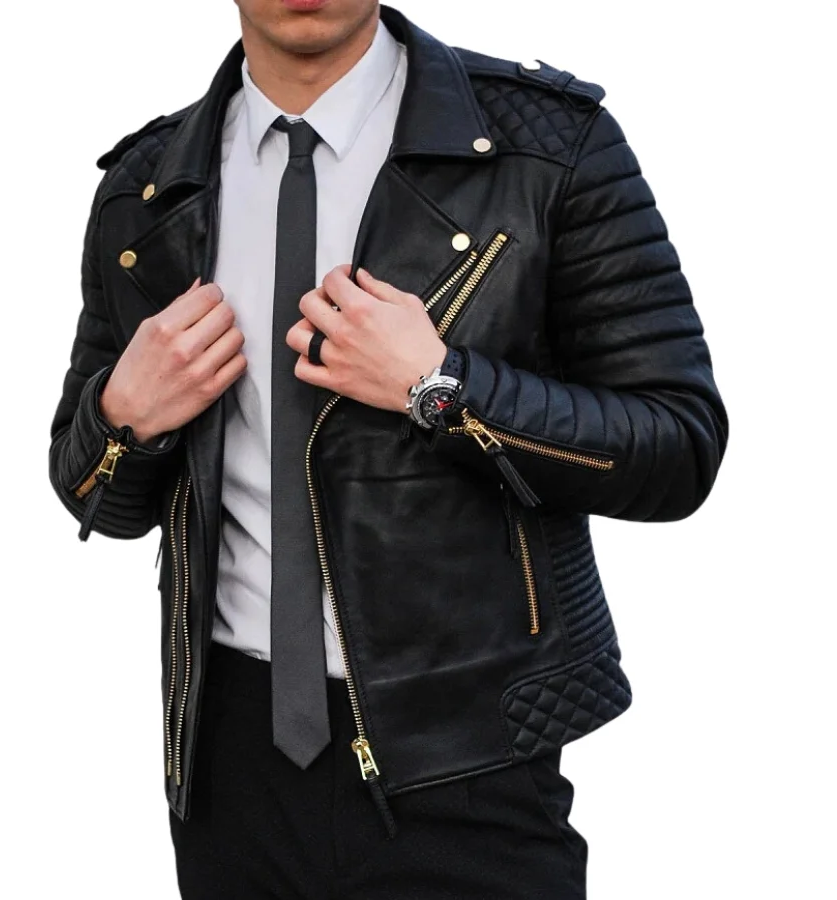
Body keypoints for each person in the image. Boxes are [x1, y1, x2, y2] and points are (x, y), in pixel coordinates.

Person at [47, 1, 728, 897]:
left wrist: (441, 388)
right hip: (227, 767)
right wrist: (123, 417)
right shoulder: (147, 187)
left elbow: (678, 445)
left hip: (470, 755)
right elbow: (95, 494)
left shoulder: (550, 148)